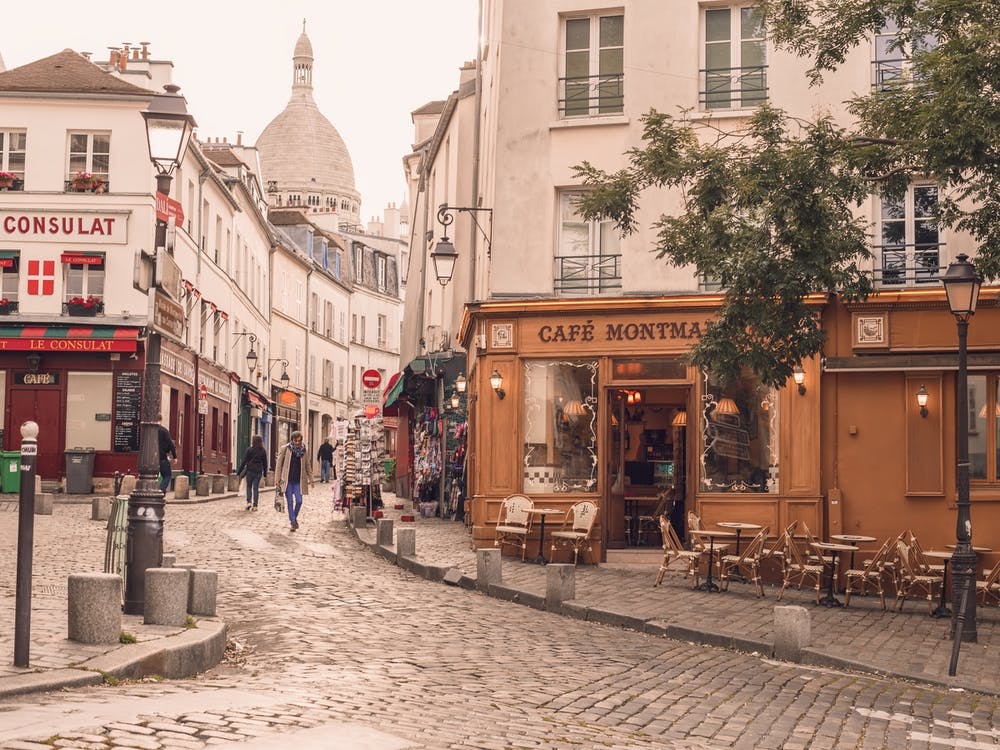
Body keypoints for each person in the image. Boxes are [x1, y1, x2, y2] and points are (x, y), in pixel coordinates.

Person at [274, 430, 313, 531]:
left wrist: (311, 478)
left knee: (299, 501)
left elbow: (307, 465)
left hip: (298, 481)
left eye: (299, 441)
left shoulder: (304, 451)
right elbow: (278, 465)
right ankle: (293, 522)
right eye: (296, 441)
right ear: (292, 440)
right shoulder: (285, 449)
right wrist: (277, 479)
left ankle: (293, 519)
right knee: (290, 501)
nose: (298, 443)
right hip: (287, 481)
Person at [236, 435, 269, 510]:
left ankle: (249, 502)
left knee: (249, 487)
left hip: (250, 471)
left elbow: (244, 461)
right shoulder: (263, 451)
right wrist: (265, 474)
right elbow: (265, 463)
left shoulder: (249, 450)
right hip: (258, 472)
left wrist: (239, 472)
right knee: (255, 488)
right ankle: (255, 505)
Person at [157, 423, 176, 493]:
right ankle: (161, 490)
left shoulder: (147, 429)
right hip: (162, 457)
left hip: (149, 458)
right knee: (167, 475)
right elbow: (170, 444)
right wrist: (175, 456)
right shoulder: (164, 430)